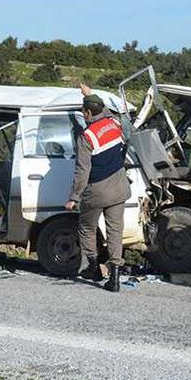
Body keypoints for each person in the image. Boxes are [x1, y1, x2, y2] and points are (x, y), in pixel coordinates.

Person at [65, 86, 130, 292]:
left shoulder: (86, 136)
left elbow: (82, 170)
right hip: (119, 186)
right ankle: (115, 277)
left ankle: (93, 268)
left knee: (87, 228)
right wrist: (89, 94)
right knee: (115, 230)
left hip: (97, 190)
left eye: (84, 111)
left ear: (87, 113)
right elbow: (108, 110)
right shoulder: (113, 123)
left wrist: (74, 197)